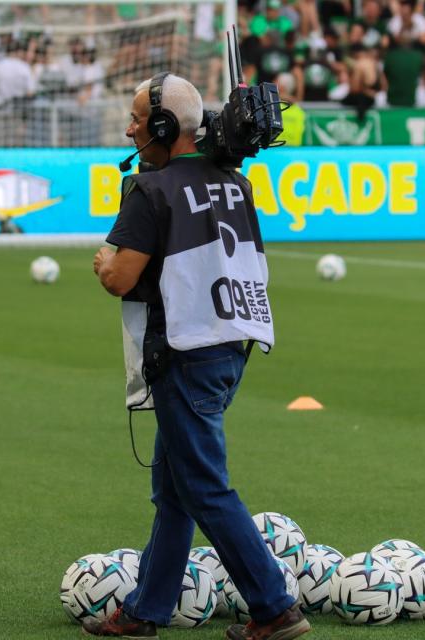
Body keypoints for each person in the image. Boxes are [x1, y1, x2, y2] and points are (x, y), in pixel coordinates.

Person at [85, 73, 308, 640]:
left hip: (186, 350)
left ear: (163, 127)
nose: (130, 128)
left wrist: (103, 262)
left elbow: (120, 278)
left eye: (138, 119)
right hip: (231, 345)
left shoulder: (151, 190)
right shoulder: (235, 181)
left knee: (204, 485)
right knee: (175, 488)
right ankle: (145, 611)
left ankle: (274, 608)